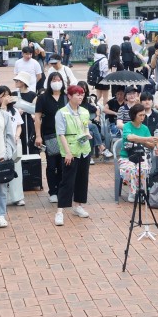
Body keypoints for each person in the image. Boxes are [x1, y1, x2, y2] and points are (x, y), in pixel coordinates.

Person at [53, 85, 93, 226]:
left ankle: (78, 206)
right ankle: (60, 211)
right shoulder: (62, 113)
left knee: (82, 179)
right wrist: (68, 153)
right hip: (70, 151)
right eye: (77, 94)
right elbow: (61, 134)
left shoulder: (84, 112)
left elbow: (85, 127)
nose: (80, 97)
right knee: (67, 181)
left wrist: (88, 134)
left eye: (82, 94)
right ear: (69, 96)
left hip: (84, 150)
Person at [34, 72, 68, 202]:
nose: (57, 82)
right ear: (49, 82)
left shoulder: (66, 97)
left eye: (59, 79)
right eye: (54, 79)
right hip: (49, 135)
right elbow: (37, 117)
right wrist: (38, 135)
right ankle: (52, 191)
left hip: (65, 135)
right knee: (51, 164)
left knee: (63, 164)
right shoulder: (43, 98)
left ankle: (61, 189)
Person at [118, 103, 158, 202]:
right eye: (140, 115)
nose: (142, 117)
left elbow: (151, 145)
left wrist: (150, 142)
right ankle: (133, 192)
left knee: (143, 169)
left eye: (144, 115)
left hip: (141, 156)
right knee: (131, 169)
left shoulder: (144, 128)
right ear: (134, 115)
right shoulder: (127, 126)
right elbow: (129, 137)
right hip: (126, 157)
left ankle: (142, 192)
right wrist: (146, 139)